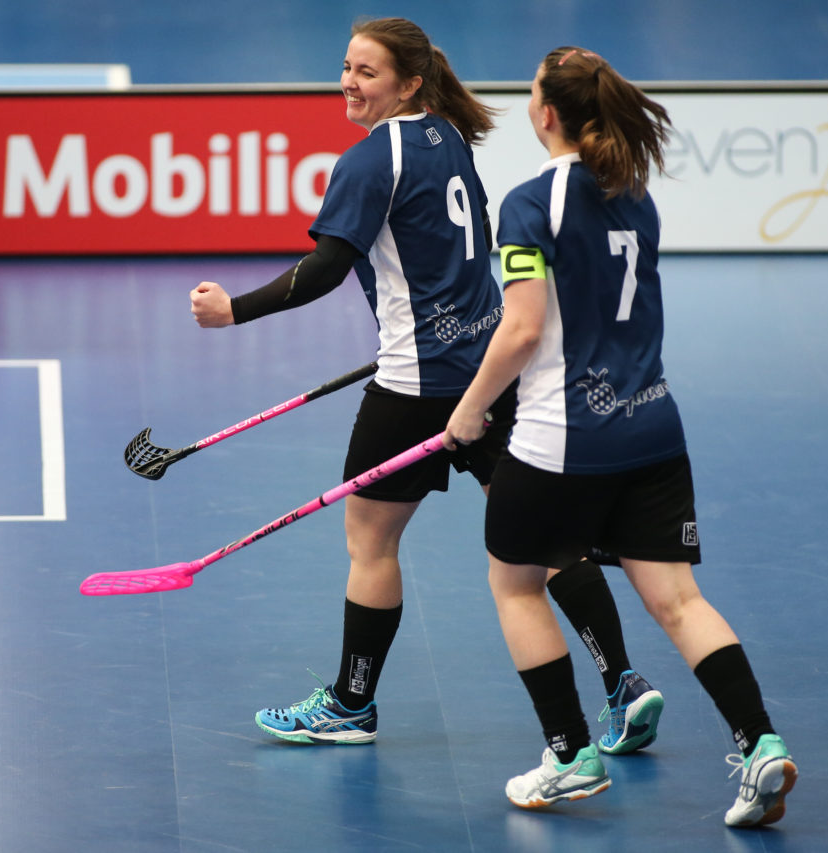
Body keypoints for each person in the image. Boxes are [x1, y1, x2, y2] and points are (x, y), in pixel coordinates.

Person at [190, 19, 663, 755]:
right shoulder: (447, 136)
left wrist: (234, 311)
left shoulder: (368, 161)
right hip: (490, 373)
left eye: (367, 72)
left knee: (370, 540)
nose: (349, 83)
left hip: (415, 388)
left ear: (409, 82)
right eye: (346, 67)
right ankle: (623, 684)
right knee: (546, 534)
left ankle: (351, 704)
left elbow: (324, 269)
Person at [443, 47, 796, 824]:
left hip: (563, 438)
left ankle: (571, 753)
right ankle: (761, 743)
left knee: (515, 582)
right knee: (680, 601)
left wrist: (469, 410)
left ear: (546, 114)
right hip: (653, 430)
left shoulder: (530, 203)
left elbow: (522, 329)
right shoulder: (636, 194)